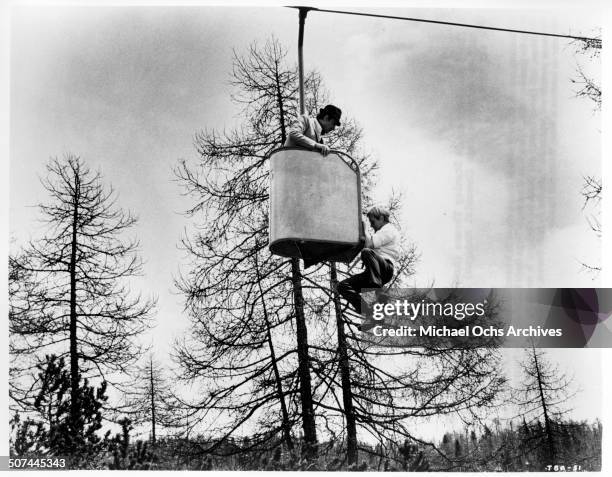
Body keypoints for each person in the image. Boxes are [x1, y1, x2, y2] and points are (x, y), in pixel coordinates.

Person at [338, 206, 400, 315]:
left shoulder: (389, 230)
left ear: (381, 218)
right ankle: (367, 312)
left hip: (384, 268)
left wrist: (365, 229)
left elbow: (369, 245)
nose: (371, 225)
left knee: (366, 252)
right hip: (374, 273)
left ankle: (376, 289)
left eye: (373, 221)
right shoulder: (380, 232)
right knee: (343, 286)